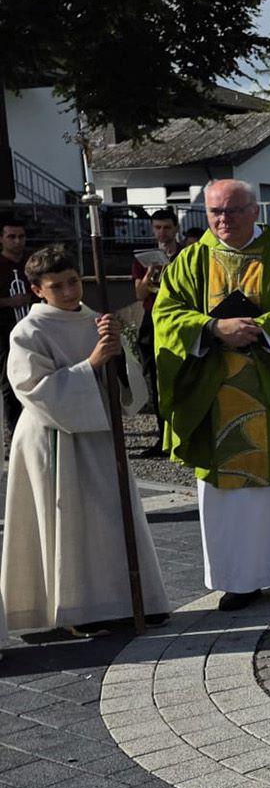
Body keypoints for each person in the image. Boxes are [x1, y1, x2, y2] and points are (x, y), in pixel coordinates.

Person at [152, 179, 270, 610]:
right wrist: (213, 328)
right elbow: (166, 315)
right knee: (229, 502)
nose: (222, 220)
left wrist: (260, 329)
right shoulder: (190, 262)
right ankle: (239, 580)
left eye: (232, 211)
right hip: (215, 400)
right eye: (214, 212)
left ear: (255, 211)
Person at [4, 245, 171, 632]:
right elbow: (32, 387)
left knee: (110, 519)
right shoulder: (28, 331)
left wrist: (118, 356)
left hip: (98, 432)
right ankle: (75, 609)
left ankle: (128, 599)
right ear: (37, 290)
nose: (68, 292)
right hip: (54, 437)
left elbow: (129, 381)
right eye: (57, 286)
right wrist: (92, 363)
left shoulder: (97, 319)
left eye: (73, 281)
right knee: (69, 524)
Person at [129, 207, 185, 455]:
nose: (162, 233)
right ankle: (163, 438)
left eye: (167, 228)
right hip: (152, 321)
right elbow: (140, 295)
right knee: (155, 381)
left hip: (179, 320)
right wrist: (149, 273)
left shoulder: (186, 255)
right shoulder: (143, 259)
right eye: (158, 228)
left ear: (176, 229)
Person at [0, 215, 33, 445]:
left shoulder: (32, 265)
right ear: (1, 238)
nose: (17, 241)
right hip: (5, 331)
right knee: (9, 383)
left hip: (32, 330)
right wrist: (8, 302)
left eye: (21, 236)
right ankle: (14, 435)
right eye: (11, 236)